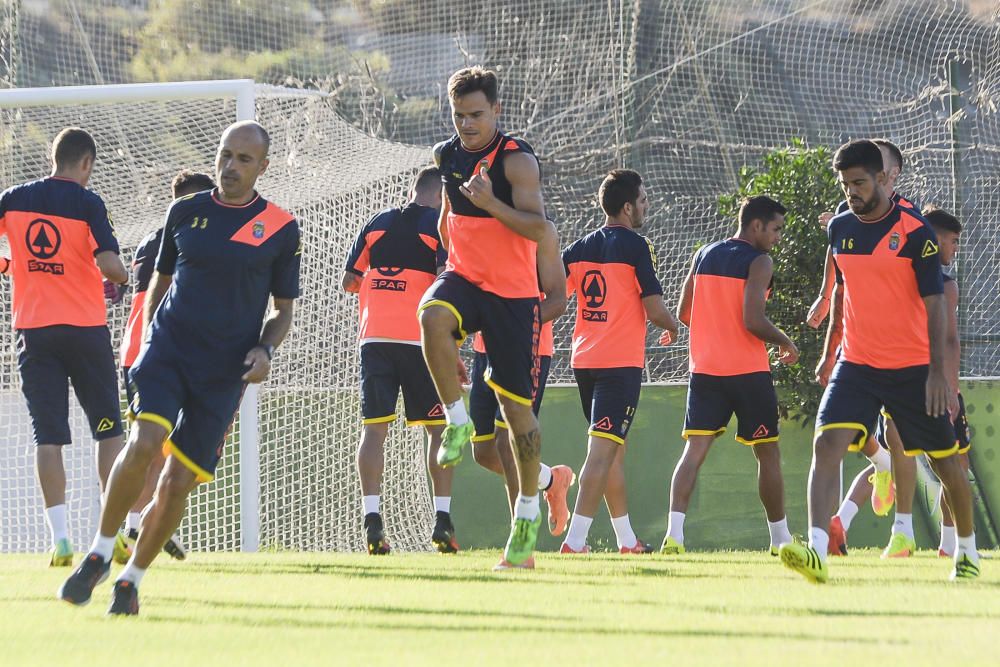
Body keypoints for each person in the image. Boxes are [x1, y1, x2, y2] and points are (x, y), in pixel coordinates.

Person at [59, 120, 301, 614]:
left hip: (225, 373)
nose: (230, 167)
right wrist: (149, 336)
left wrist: (265, 350)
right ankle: (101, 551)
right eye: (225, 155)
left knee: (177, 480)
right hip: (168, 353)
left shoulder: (281, 228)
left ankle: (131, 580)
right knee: (145, 442)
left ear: (263, 167)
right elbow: (159, 281)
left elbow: (283, 309)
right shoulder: (185, 211)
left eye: (244, 160)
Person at [780, 140, 978, 583]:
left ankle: (966, 551)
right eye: (845, 183)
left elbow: (935, 304)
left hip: (911, 370)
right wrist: (833, 351)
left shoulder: (915, 232)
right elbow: (841, 289)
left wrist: (935, 372)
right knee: (825, 445)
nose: (851, 191)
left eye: (859, 182)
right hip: (857, 363)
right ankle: (816, 551)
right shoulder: (839, 229)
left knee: (947, 462)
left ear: (883, 180)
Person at [418, 66, 552, 567]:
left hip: (514, 299)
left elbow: (538, 229)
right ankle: (453, 420)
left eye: (476, 114)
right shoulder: (446, 156)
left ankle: (528, 516)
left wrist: (491, 203)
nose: (467, 125)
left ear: (497, 109)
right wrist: (448, 268)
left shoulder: (516, 161)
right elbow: (448, 216)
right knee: (431, 315)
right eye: (458, 116)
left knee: (516, 414)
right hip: (466, 280)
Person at [0, 127, 130, 567]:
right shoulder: (87, 203)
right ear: (87, 164)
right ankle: (109, 534)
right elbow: (112, 268)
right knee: (109, 430)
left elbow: (14, 257)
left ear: (53, 158)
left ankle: (59, 539)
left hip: (34, 332)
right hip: (85, 330)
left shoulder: (12, 198)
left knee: (48, 436)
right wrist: (124, 275)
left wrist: (10, 265)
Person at [660, 195, 797, 556]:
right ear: (756, 226)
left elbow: (684, 312)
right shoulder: (760, 262)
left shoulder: (703, 253)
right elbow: (753, 320)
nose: (778, 237)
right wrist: (785, 340)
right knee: (767, 454)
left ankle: (674, 536)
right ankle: (780, 539)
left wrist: (714, 327)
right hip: (749, 374)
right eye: (776, 229)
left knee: (693, 452)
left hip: (705, 371)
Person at [559, 169, 678, 555]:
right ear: (627, 207)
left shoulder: (577, 249)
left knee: (612, 451)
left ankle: (627, 540)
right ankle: (575, 542)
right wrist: (674, 325)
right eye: (642, 200)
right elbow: (655, 308)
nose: (645, 206)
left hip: (584, 361)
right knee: (601, 452)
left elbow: (555, 295)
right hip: (618, 364)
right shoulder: (636, 247)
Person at [342, 166, 457, 555]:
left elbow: (349, 281)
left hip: (374, 338)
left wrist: (384, 281)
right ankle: (442, 519)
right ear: (440, 196)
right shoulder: (438, 226)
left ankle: (371, 518)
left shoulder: (377, 222)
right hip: (419, 340)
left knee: (374, 432)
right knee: (439, 429)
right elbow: (445, 279)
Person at [816, 140, 919, 552]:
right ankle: (827, 531)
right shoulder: (846, 222)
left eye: (885, 169)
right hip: (858, 358)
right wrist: (828, 343)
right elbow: (840, 276)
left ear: (890, 176)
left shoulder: (912, 224)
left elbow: (935, 291)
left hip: (905, 359)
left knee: (902, 444)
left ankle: (904, 532)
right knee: (841, 438)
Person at [117, 169, 215, 561]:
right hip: (164, 355)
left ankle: (146, 522)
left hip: (134, 354)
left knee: (156, 451)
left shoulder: (149, 240)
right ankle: (136, 528)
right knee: (162, 452)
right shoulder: (191, 239)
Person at [466, 217, 573, 569]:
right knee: (483, 451)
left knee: (507, 444)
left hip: (528, 347)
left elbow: (558, 301)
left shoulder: (542, 233)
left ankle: (521, 547)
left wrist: (513, 325)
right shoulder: (487, 231)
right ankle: (550, 479)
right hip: (485, 349)